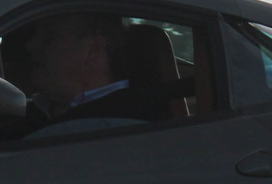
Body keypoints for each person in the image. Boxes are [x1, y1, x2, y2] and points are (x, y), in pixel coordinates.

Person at [11, 11, 173, 131]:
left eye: (49, 36)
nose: (31, 45)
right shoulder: (25, 112)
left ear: (94, 50)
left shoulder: (130, 127)